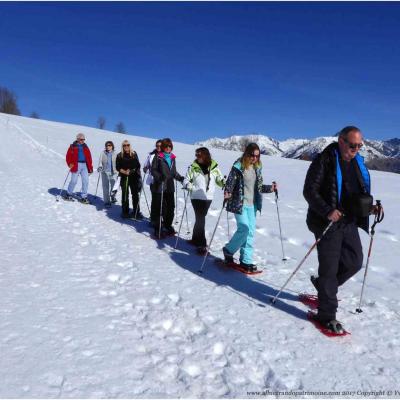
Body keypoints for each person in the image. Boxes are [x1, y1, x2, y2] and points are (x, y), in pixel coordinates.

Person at [303, 126, 380, 334]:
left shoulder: (357, 164)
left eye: (359, 145)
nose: (355, 149)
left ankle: (324, 287)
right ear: (341, 140)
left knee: (354, 261)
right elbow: (309, 191)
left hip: (349, 222)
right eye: (352, 145)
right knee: (329, 267)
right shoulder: (325, 160)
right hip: (326, 222)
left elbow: (356, 195)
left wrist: (370, 208)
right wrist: (328, 211)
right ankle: (326, 314)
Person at [223, 143, 276, 272]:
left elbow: (258, 187)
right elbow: (230, 182)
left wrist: (271, 188)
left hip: (252, 206)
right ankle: (228, 250)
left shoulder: (257, 168)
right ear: (247, 153)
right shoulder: (238, 167)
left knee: (250, 233)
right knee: (244, 229)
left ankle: (245, 260)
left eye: (257, 156)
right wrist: (228, 191)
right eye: (252, 155)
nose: (254, 158)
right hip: (239, 204)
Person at [183, 147, 225, 254]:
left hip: (208, 197)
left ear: (205, 155)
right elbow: (186, 180)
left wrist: (224, 182)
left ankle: (195, 239)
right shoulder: (193, 167)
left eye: (199, 155)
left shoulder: (214, 166)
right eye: (196, 155)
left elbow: (219, 180)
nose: (197, 157)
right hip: (196, 196)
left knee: (200, 218)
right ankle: (202, 244)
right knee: (201, 218)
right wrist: (189, 186)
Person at [150, 138, 184, 237]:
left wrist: (180, 178)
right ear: (163, 147)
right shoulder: (158, 156)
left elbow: (173, 172)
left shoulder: (172, 158)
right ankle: (158, 228)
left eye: (170, 146)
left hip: (169, 185)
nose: (168, 148)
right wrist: (159, 177)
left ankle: (167, 225)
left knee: (170, 207)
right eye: (166, 146)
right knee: (159, 208)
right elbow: (153, 170)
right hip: (160, 184)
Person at [116, 139, 143, 219]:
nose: (126, 146)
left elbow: (138, 165)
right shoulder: (119, 155)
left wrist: (131, 170)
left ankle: (136, 212)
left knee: (135, 194)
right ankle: (125, 211)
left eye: (128, 145)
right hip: (124, 177)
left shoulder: (134, 154)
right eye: (124, 145)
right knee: (125, 194)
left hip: (134, 176)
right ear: (122, 146)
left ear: (130, 146)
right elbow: (117, 167)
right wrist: (124, 171)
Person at [65, 133, 93, 203]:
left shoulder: (85, 147)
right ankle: (68, 194)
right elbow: (68, 156)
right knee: (74, 181)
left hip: (85, 165)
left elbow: (89, 157)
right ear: (77, 139)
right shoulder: (72, 146)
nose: (82, 141)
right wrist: (69, 163)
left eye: (83, 139)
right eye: (81, 139)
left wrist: (90, 167)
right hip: (76, 165)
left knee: (85, 181)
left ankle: (84, 197)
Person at [143, 139, 162, 225]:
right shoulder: (151, 155)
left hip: (162, 181)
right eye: (157, 146)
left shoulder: (165, 155)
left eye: (160, 146)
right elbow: (145, 166)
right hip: (153, 181)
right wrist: (145, 168)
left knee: (162, 201)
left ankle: (159, 219)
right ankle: (153, 219)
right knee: (155, 200)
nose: (158, 147)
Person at [97, 141, 118, 208]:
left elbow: (118, 162)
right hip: (104, 172)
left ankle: (112, 196)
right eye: (107, 145)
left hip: (113, 172)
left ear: (112, 146)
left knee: (114, 186)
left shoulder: (115, 153)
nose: (108, 147)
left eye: (109, 145)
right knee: (105, 187)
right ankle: (107, 202)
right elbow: (100, 161)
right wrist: (100, 167)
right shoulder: (103, 153)